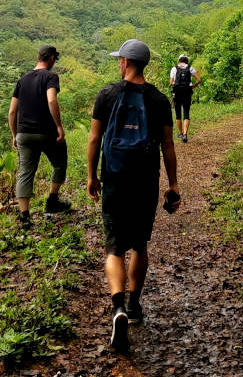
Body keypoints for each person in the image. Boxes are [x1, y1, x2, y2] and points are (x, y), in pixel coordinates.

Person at [87, 38, 180, 353]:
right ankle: (135, 304)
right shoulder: (158, 100)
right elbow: (168, 145)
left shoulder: (107, 95)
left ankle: (117, 308)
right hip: (145, 180)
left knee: (114, 246)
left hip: (114, 177)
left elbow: (95, 139)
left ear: (125, 62)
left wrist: (91, 177)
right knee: (139, 244)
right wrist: (174, 184)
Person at [9, 44, 71, 229]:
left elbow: (12, 111)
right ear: (51, 58)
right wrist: (59, 126)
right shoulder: (51, 77)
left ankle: (25, 216)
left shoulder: (23, 79)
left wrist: (15, 135)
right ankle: (52, 201)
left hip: (24, 134)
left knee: (25, 172)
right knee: (60, 162)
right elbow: (52, 99)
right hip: (47, 133)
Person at [169, 54, 201, 143]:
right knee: (186, 113)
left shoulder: (174, 68)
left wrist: (176, 86)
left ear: (179, 60)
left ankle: (180, 133)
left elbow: (171, 83)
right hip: (187, 92)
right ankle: (185, 134)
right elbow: (199, 80)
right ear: (187, 61)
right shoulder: (190, 68)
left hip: (177, 92)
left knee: (178, 113)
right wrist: (192, 86)